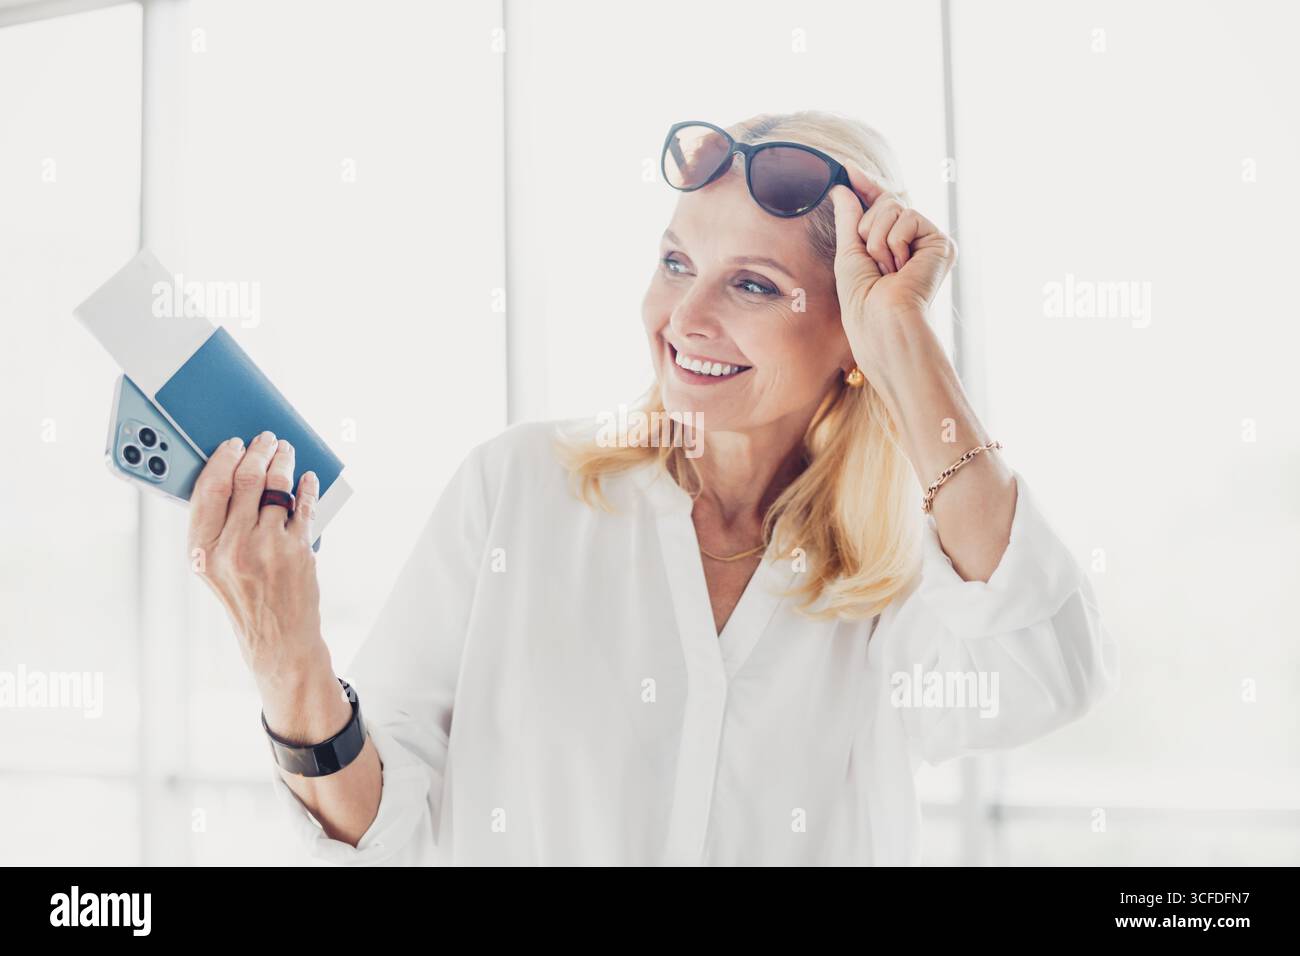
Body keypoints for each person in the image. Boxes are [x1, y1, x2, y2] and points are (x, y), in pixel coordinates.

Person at [186, 111, 1117, 865]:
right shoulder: (518, 491)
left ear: (851, 334)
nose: (686, 319)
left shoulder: (905, 589)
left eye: (752, 284)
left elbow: (1046, 668)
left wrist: (906, 343)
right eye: (676, 264)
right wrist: (287, 656)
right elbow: (378, 831)